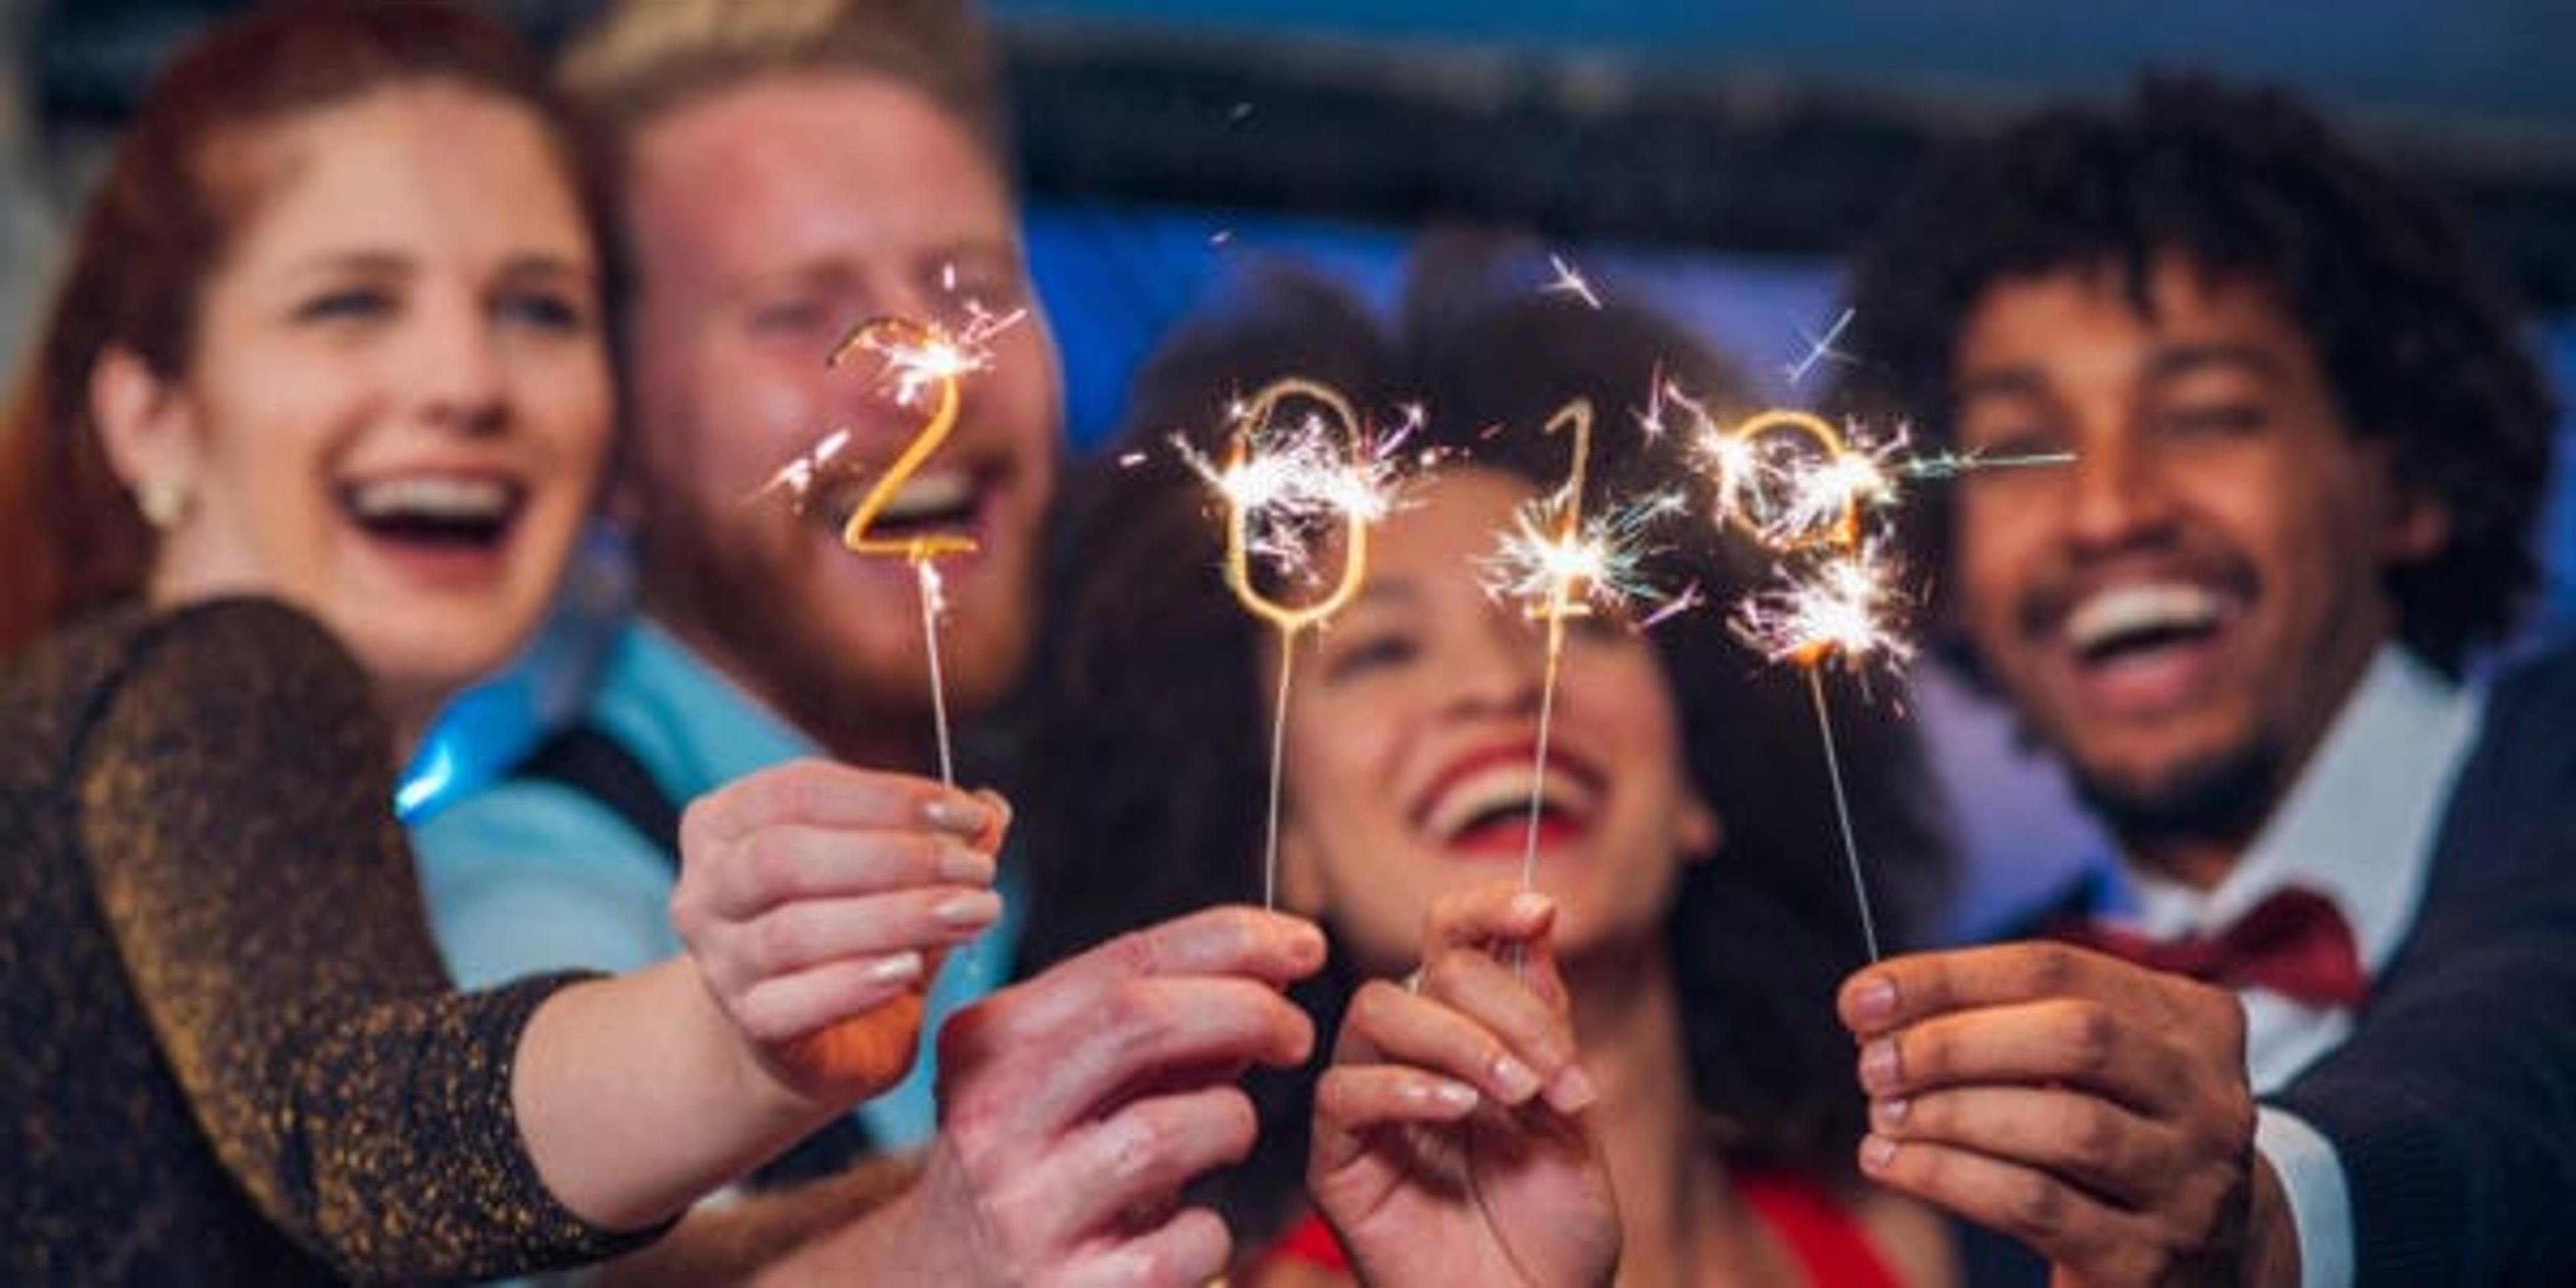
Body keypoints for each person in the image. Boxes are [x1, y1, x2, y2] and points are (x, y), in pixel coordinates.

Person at [0, 3, 1002, 1278]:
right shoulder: (220, 671)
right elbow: (363, 1134)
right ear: (149, 416)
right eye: (349, 304)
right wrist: (734, 1030)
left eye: (539, 309)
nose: (466, 380)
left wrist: (985, 1196)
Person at [407, 2, 1334, 1279]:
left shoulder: (1128, 805)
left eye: (975, 293)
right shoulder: (525, 896)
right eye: (799, 313)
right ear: (609, 441)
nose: (924, 382)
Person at [1017, 250, 1960, 1285]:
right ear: (1284, 849)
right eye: (1383, 650)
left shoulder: (1900, 1237)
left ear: (1700, 777)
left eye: (1570, 619)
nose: (1502, 686)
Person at [1827, 76, 2575, 1285]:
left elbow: (2528, 1063)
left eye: (2207, 415)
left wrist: (2272, 1218)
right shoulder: (1936, 1066)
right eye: (2019, 447)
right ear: (1946, 564)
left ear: (2405, 480)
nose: (2110, 509)